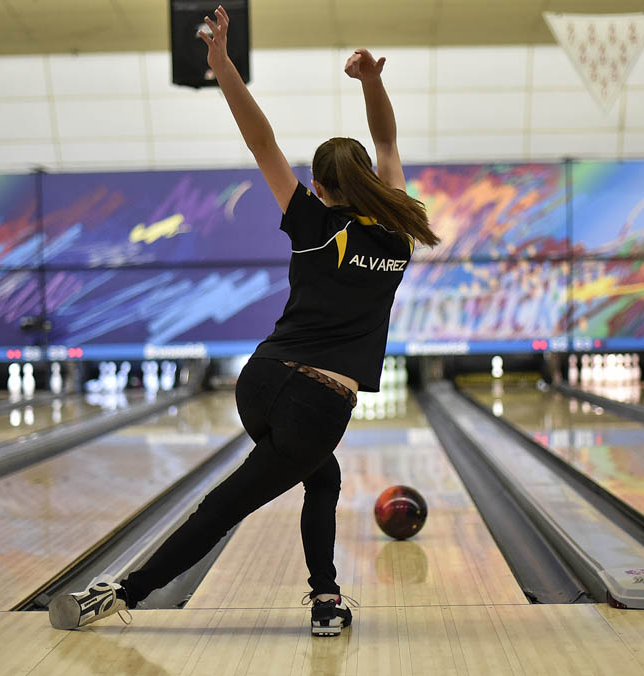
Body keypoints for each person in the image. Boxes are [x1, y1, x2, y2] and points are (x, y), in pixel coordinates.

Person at [48, 4, 439, 637]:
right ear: (367, 177)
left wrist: (222, 62)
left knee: (323, 478)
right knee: (227, 505)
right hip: (318, 404)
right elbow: (389, 141)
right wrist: (371, 81)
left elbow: (260, 140)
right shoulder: (396, 228)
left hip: (258, 382)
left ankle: (325, 597)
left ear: (319, 183)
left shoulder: (310, 220)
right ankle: (120, 593)